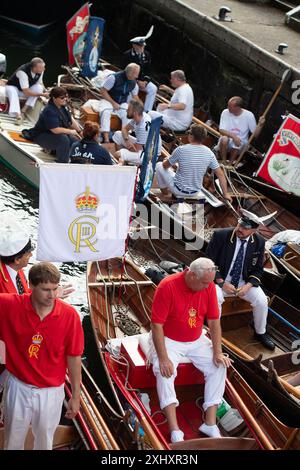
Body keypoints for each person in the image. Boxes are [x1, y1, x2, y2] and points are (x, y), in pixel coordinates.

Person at [0, 262, 84, 450]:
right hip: (18, 387)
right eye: (46, 290)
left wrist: (76, 396)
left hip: (51, 392)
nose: (52, 296)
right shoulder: (11, 305)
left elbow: (74, 357)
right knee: (12, 441)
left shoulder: (70, 316)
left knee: (45, 442)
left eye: (55, 289)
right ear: (30, 286)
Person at [151, 257, 232, 443]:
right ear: (192, 275)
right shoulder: (167, 286)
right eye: (204, 282)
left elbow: (213, 322)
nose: (208, 286)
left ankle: (209, 423)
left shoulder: (209, 286)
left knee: (219, 366)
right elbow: (156, 325)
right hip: (169, 340)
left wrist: (217, 352)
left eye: (209, 282)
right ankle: (174, 429)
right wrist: (163, 358)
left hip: (196, 340)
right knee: (164, 372)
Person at [206, 209, 276, 350]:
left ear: (254, 230)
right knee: (216, 298)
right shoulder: (221, 235)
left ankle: (260, 333)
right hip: (219, 280)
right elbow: (208, 262)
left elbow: (258, 269)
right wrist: (221, 282)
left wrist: (248, 286)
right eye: (240, 225)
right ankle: (213, 334)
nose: (240, 229)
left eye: (246, 228)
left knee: (262, 300)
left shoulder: (259, 242)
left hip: (242, 283)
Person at [155, 123, 232, 200]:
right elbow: (220, 174)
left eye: (189, 133)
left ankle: (165, 194)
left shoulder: (181, 149)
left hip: (179, 191)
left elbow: (165, 166)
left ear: (191, 136)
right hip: (195, 192)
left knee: (159, 165)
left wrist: (166, 160)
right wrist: (225, 194)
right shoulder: (209, 153)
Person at [83, 63, 140, 144]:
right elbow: (103, 91)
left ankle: (124, 138)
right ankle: (106, 139)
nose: (137, 77)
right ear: (130, 73)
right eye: (135, 74)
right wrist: (113, 103)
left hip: (122, 102)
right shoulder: (114, 78)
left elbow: (135, 97)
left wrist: (139, 109)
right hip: (108, 100)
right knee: (105, 111)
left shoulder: (134, 83)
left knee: (128, 114)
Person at [29, 86, 82, 163]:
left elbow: (70, 120)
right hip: (41, 136)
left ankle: (74, 161)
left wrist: (79, 131)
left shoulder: (63, 106)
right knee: (63, 139)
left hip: (53, 135)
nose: (65, 99)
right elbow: (55, 130)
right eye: (62, 98)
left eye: (66, 97)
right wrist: (70, 131)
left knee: (74, 141)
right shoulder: (49, 110)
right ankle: (62, 162)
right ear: (54, 98)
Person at [217, 96, 265, 163]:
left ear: (238, 107)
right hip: (226, 141)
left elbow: (255, 135)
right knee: (224, 139)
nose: (227, 108)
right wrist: (234, 137)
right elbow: (221, 130)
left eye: (230, 106)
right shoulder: (225, 112)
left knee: (238, 143)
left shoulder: (249, 115)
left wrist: (260, 125)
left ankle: (230, 164)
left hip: (240, 144)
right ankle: (224, 161)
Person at [122, 27, 157, 112]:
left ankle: (146, 111)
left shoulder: (147, 55)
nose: (142, 48)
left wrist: (145, 81)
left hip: (142, 81)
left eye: (143, 46)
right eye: (140, 46)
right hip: (131, 80)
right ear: (134, 45)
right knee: (134, 88)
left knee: (153, 88)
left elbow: (148, 70)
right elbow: (125, 72)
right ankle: (128, 109)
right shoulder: (127, 55)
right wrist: (137, 81)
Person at [5, 57, 49, 124]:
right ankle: (17, 115)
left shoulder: (41, 71)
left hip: (25, 90)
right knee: (12, 91)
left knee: (39, 88)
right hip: (13, 88)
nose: (44, 69)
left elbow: (40, 83)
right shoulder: (22, 72)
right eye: (41, 67)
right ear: (34, 68)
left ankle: (23, 110)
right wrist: (42, 95)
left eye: (43, 67)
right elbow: (26, 92)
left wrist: (46, 91)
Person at [113, 99, 152, 165]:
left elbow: (135, 150)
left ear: (134, 113)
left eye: (128, 110)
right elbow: (124, 129)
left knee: (117, 154)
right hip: (140, 146)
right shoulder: (138, 116)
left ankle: (124, 162)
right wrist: (127, 140)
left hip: (147, 154)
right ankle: (124, 161)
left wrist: (126, 149)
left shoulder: (143, 127)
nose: (126, 110)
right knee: (117, 135)